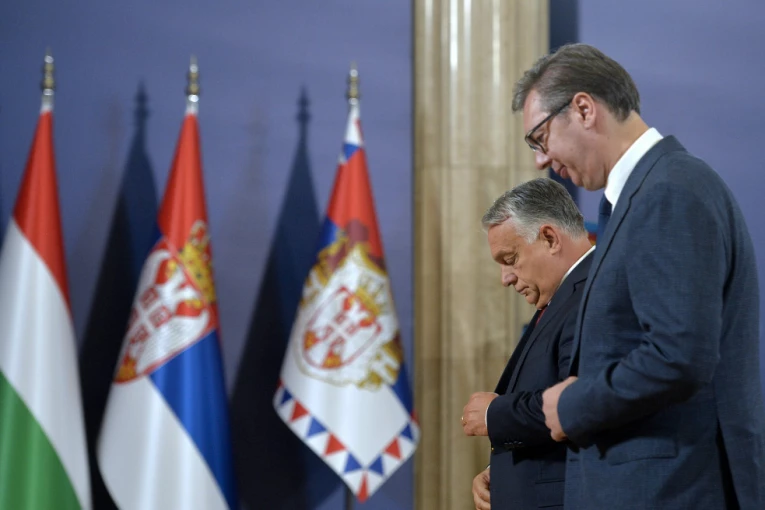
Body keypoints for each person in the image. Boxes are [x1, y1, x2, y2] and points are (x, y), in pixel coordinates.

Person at [512, 43, 765, 509]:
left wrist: (572, 404)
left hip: (672, 490)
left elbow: (678, 355)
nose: (540, 161)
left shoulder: (669, 192)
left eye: (540, 138)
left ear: (583, 109)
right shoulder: (642, 194)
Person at [462, 178, 594, 510]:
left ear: (550, 238)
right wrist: (500, 472)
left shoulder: (593, 295)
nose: (505, 278)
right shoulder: (562, 300)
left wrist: (494, 415)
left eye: (510, 259)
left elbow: (584, 401)